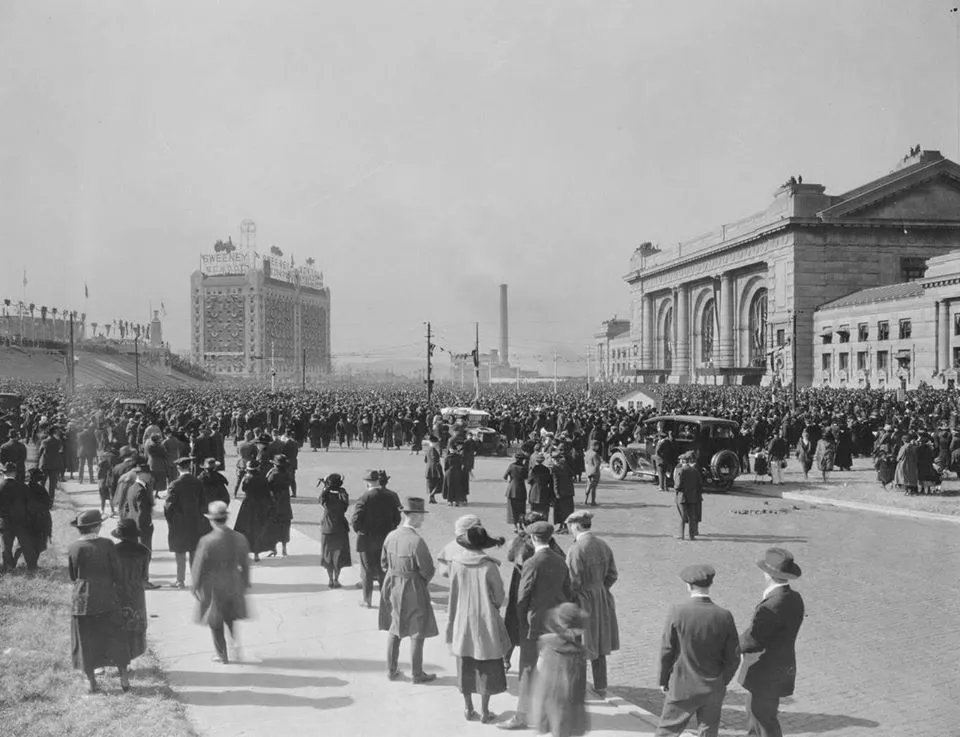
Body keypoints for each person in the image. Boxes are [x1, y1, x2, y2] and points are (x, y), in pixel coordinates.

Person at [499, 521, 572, 731]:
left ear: (532, 538)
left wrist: (522, 622)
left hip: (533, 626)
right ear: (550, 538)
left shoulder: (531, 563)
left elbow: (522, 598)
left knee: (528, 669)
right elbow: (569, 594)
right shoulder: (561, 561)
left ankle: (521, 716)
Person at [655, 564, 740, 737]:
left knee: (667, 731)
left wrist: (663, 679)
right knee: (708, 732)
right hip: (713, 687)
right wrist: (723, 680)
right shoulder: (724, 615)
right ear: (710, 585)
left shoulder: (678, 612)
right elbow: (733, 656)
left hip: (682, 685)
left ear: (689, 586)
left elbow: (667, 650)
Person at [445, 524, 511, 723]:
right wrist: (494, 604)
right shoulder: (488, 566)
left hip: (463, 618)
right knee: (487, 664)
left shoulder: (456, 563)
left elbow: (453, 592)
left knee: (465, 664)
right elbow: (499, 595)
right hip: (485, 619)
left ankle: (468, 708)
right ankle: (485, 710)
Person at [739, 548, 805, 737]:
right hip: (782, 668)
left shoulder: (771, 604)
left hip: (764, 672)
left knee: (760, 718)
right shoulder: (794, 598)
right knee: (761, 718)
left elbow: (754, 639)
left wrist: (732, 647)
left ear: (768, 574)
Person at [67, 510, 131, 692]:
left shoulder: (73, 547)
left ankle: (92, 682)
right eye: (100, 524)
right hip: (107, 597)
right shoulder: (107, 544)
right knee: (116, 637)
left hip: (82, 601)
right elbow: (117, 572)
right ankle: (124, 678)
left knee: (86, 640)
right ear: (95, 527)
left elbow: (73, 575)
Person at [379, 497, 439, 683]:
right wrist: (419, 582)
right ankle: (417, 673)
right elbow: (428, 570)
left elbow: (383, 564)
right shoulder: (417, 541)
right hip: (413, 586)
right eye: (421, 515)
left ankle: (391, 670)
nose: (423, 519)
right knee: (417, 629)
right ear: (412, 516)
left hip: (392, 584)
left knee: (395, 627)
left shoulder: (391, 535)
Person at [564, 510, 618, 697]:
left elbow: (573, 581)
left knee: (579, 644)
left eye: (571, 526)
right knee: (599, 641)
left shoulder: (576, 550)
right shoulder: (603, 545)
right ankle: (601, 685)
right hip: (601, 597)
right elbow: (612, 574)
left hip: (582, 600)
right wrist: (600, 589)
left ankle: (577, 687)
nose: (570, 530)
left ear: (576, 526)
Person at [192, 501, 251, 664]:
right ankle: (236, 644)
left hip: (214, 585)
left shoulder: (207, 540)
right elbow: (245, 564)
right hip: (233, 581)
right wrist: (245, 582)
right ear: (226, 519)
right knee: (230, 616)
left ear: (212, 520)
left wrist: (195, 585)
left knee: (215, 621)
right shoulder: (239, 538)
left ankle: (222, 653)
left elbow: (199, 565)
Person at [529, 603, 589, 737]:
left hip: (550, 695)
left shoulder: (546, 643)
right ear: (577, 630)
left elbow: (539, 668)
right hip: (568, 699)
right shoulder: (578, 652)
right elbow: (578, 682)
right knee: (563, 729)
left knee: (555, 726)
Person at [351, 469, 401, 608]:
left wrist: (361, 531)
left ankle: (367, 600)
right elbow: (397, 518)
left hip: (367, 540)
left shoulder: (364, 497)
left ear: (367, 483)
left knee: (367, 570)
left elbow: (356, 520)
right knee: (383, 569)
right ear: (378, 481)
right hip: (385, 539)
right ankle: (386, 599)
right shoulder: (391, 496)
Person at [111, 519, 150, 661]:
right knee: (135, 626)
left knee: (118, 625)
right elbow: (144, 576)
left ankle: (120, 659)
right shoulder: (144, 551)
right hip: (136, 593)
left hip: (117, 593)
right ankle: (132, 656)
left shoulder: (113, 551)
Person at [165, 456, 204, 588]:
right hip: (195, 522)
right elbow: (204, 503)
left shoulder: (174, 485)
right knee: (194, 551)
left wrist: (170, 520)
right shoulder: (198, 482)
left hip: (179, 523)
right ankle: (196, 580)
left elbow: (168, 506)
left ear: (178, 468)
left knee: (180, 553)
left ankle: (180, 580)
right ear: (190, 467)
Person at [234, 460, 278, 562]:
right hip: (260, 505)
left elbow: (244, 489)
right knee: (258, 528)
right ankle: (257, 553)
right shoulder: (263, 478)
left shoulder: (247, 478)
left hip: (248, 505)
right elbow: (267, 491)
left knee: (245, 528)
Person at [318, 472, 351, 588]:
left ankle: (330, 579)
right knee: (338, 557)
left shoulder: (326, 500)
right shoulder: (342, 500)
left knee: (328, 556)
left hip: (327, 529)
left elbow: (321, 497)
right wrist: (339, 489)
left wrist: (326, 487)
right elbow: (346, 500)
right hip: (340, 528)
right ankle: (336, 580)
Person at [0, 461, 30, 573]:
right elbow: (29, 505)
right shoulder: (23, 487)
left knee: (6, 546)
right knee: (21, 543)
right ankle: (14, 560)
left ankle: (8, 566)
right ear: (15, 473)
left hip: (4, 520)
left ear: (4, 473)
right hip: (20, 520)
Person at [266, 455, 293, 557]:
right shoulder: (287, 474)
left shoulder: (273, 475)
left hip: (274, 502)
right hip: (285, 503)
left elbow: (267, 485)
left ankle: (273, 548)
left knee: (273, 526)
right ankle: (284, 549)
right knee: (285, 526)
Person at [197, 458, 231, 536]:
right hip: (217, 510)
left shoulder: (200, 479)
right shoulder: (219, 478)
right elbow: (226, 497)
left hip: (204, 509)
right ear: (215, 467)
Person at [673, 452, 702, 541]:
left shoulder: (681, 470)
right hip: (692, 497)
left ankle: (681, 535)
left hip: (682, 497)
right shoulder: (695, 471)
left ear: (682, 461)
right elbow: (700, 484)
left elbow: (678, 485)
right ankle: (691, 535)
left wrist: (675, 488)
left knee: (682, 516)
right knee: (692, 517)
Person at [551, 452, 576, 534]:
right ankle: (564, 526)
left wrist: (556, 493)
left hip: (560, 493)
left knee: (560, 510)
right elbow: (572, 474)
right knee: (567, 510)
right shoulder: (566, 466)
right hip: (569, 492)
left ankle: (563, 527)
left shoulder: (555, 468)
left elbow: (555, 482)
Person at [504, 452, 528, 533]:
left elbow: (505, 476)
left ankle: (515, 526)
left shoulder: (511, 466)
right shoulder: (524, 467)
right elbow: (526, 477)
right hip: (521, 489)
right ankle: (521, 526)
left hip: (512, 489)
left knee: (513, 509)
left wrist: (510, 479)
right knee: (521, 509)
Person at [38, 426, 63, 503]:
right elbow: (61, 450)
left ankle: (41, 499)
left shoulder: (44, 441)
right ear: (54, 433)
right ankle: (51, 500)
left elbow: (40, 452)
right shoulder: (58, 441)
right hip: (54, 464)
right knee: (52, 485)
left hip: (45, 464)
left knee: (42, 483)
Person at [424, 435, 444, 504]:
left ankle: (432, 498)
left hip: (428, 468)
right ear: (434, 442)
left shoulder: (428, 449)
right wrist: (437, 467)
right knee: (439, 482)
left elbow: (425, 460)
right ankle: (432, 495)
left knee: (431, 484)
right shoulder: (433, 449)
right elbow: (434, 459)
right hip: (434, 469)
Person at [583, 440, 601, 507]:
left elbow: (586, 462)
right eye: (597, 446)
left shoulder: (587, 453)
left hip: (588, 471)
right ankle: (593, 502)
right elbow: (597, 465)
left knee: (588, 485)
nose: (598, 447)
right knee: (593, 488)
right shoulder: (595, 454)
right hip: (594, 472)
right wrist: (595, 473)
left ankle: (585, 500)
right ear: (594, 446)